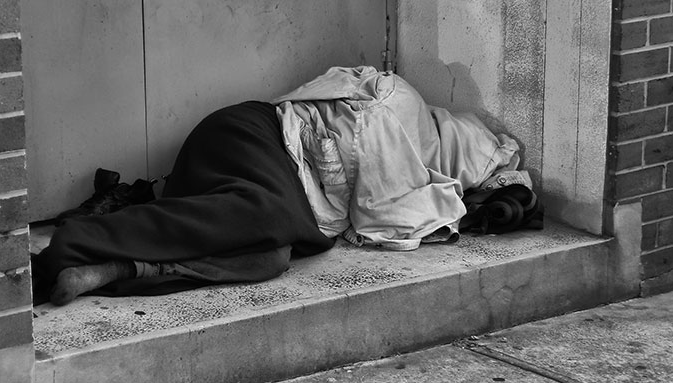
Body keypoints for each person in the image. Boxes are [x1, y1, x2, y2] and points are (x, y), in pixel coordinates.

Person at [32, 66, 520, 306]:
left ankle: (119, 268)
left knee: (272, 258)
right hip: (250, 137)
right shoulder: (393, 99)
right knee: (264, 216)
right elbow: (384, 195)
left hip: (283, 187)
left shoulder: (435, 167)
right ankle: (74, 246)